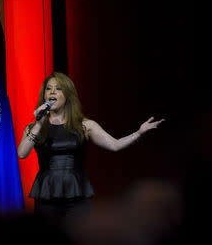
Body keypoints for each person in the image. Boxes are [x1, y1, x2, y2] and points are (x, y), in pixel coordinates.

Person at [17, 72, 164, 226]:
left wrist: (139, 133)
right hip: (46, 195)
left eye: (58, 88)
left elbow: (115, 145)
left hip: (77, 194)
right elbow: (22, 153)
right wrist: (39, 124)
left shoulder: (85, 125)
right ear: (44, 95)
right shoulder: (34, 127)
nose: (52, 92)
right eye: (48, 89)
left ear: (67, 95)